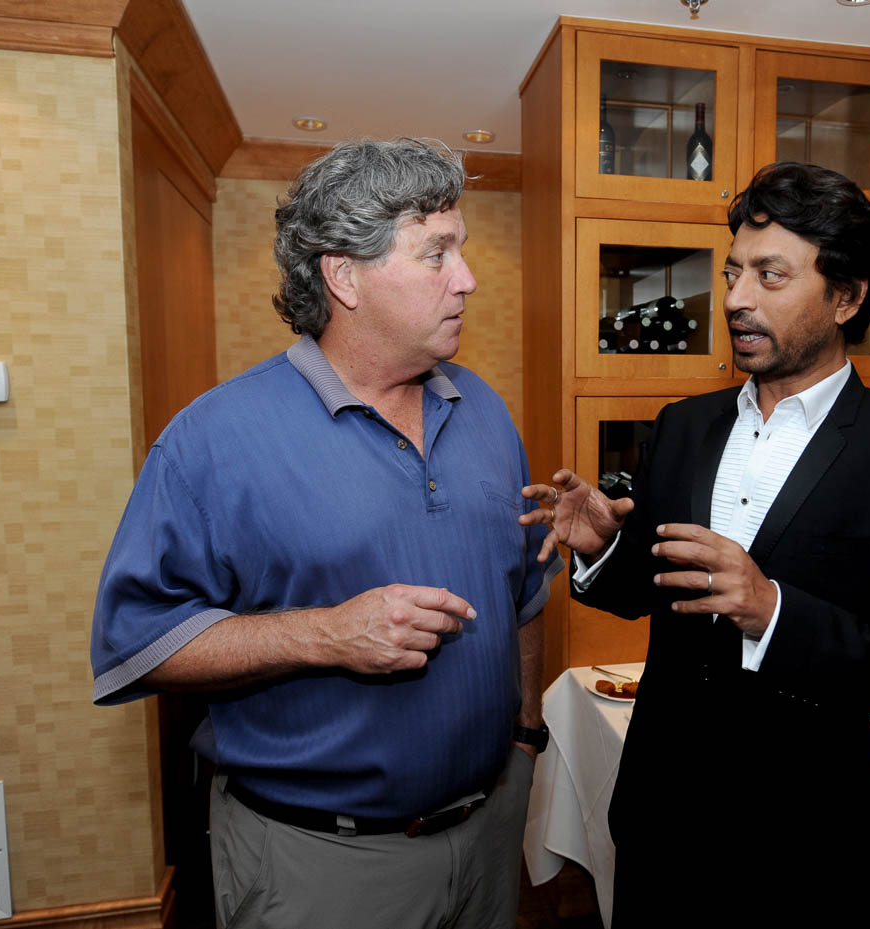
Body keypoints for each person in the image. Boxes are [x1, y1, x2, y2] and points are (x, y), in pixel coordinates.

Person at [91, 138, 562, 929]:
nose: (468, 278)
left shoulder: (481, 406)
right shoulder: (214, 438)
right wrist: (325, 633)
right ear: (343, 274)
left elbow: (523, 586)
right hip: (320, 864)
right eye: (436, 252)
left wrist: (523, 738)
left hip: (487, 830)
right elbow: (139, 641)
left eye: (462, 249)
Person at [521, 162, 870, 928]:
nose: (734, 298)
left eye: (770, 275)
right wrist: (604, 549)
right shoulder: (684, 425)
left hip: (805, 855)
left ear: (847, 295)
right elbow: (658, 590)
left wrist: (774, 611)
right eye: (733, 272)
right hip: (661, 830)